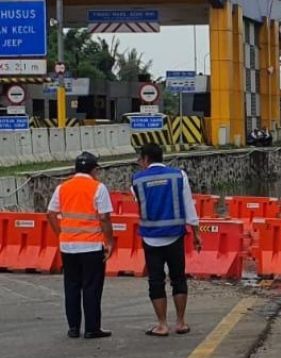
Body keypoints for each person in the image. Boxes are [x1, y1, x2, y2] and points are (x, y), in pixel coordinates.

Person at [132, 143, 201, 337]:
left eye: (140, 160)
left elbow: (140, 203)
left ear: (145, 159)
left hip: (151, 237)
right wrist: (196, 232)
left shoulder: (136, 180)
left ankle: (162, 325)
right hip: (175, 235)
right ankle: (181, 322)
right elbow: (189, 206)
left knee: (156, 280)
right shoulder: (179, 175)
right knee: (178, 278)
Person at [46, 152, 115, 339]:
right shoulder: (98, 188)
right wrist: (109, 241)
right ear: (94, 170)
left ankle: (74, 328)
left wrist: (61, 234)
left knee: (72, 286)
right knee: (91, 287)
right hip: (91, 246)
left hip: (68, 247)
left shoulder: (62, 188)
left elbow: (51, 213)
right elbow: (104, 218)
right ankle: (92, 328)